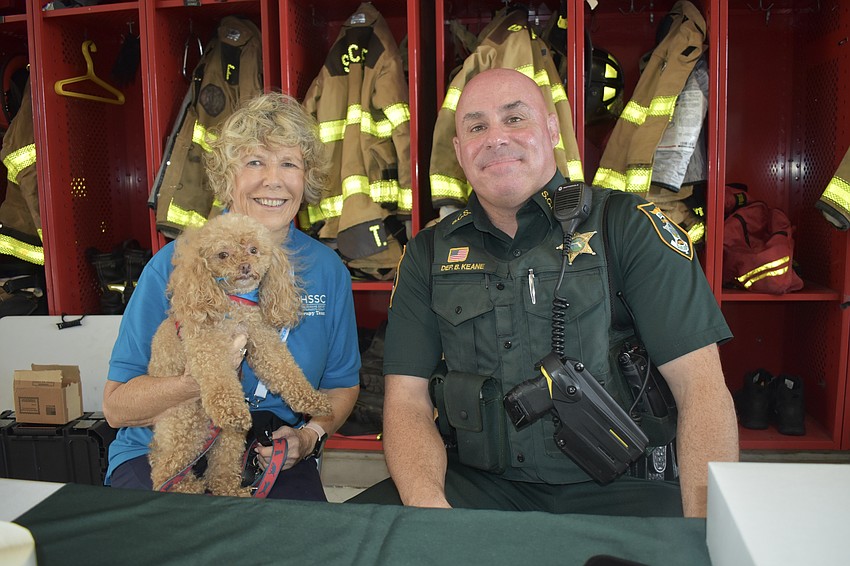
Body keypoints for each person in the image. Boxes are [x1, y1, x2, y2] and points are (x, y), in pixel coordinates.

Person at [351, 68, 738, 517]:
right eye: (477, 127)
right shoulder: (428, 253)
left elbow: (702, 389)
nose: (495, 138)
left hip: (622, 492)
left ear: (553, 129)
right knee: (349, 538)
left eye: (514, 119)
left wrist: (704, 530)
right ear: (459, 151)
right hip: (477, 489)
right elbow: (406, 400)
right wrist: (431, 511)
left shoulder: (627, 225)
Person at [102, 92, 361, 501]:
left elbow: (342, 385)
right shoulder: (175, 264)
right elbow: (116, 408)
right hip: (163, 446)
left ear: (305, 179)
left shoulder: (328, 271)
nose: (273, 180)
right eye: (255, 161)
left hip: (267, 448)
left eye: (289, 163)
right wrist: (199, 379)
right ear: (227, 177)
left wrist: (309, 436)